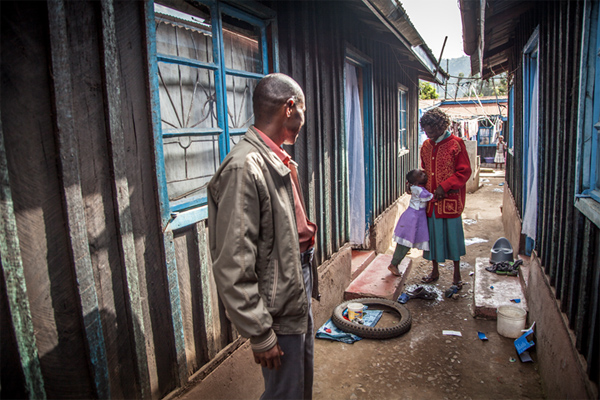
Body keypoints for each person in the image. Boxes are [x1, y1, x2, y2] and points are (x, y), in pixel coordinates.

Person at [208, 73, 318, 400]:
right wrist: (259, 331)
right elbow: (233, 262)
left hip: (295, 284)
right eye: (303, 111)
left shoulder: (273, 157)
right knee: (286, 392)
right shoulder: (244, 167)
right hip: (278, 301)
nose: (303, 119)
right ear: (289, 108)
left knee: (299, 382)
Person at [418, 108, 472, 289]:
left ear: (441, 126)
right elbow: (424, 170)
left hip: (450, 202)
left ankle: (456, 275)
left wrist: (445, 186)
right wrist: (415, 184)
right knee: (432, 237)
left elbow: (464, 172)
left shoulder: (456, 144)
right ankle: (434, 271)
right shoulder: (426, 146)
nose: (428, 134)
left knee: (452, 238)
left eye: (431, 130)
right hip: (431, 202)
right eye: (425, 130)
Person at [387, 169, 433, 277]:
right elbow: (432, 197)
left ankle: (395, 262)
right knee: (405, 242)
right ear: (416, 182)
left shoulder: (415, 188)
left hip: (413, 217)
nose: (424, 174)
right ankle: (394, 264)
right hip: (414, 219)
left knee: (406, 242)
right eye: (421, 175)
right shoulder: (420, 191)